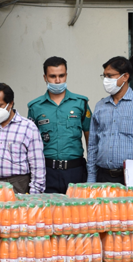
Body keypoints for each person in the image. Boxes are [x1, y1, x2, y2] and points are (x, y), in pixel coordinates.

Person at [87, 56, 133, 196]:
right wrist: (91, 179)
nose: (106, 80)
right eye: (104, 76)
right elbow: (92, 146)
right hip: (103, 178)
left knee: (132, 218)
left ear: (125, 77)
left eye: (110, 76)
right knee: (104, 218)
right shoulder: (100, 106)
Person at [27, 56, 92, 193]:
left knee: (77, 213)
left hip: (75, 171)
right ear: (45, 77)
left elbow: (90, 139)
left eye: (61, 76)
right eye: (52, 76)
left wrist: (91, 173)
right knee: (49, 213)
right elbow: (30, 143)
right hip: (47, 171)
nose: (57, 80)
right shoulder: (35, 107)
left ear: (66, 75)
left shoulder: (80, 103)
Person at [0, 83, 45, 195]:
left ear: (10, 103)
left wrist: (34, 195)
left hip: (17, 186)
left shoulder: (28, 128)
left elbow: (38, 165)